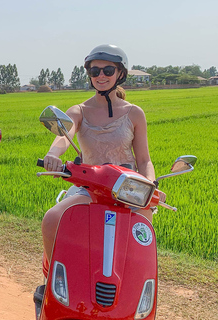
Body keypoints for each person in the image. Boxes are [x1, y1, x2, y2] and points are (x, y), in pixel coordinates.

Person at [41, 44, 164, 263]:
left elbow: (144, 160)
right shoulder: (79, 111)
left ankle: (139, 290)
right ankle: (53, 280)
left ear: (120, 74)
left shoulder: (134, 113)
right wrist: (53, 154)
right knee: (52, 218)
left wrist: (151, 186)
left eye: (108, 70)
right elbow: (64, 135)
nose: (101, 75)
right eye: (94, 71)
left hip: (128, 191)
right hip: (89, 188)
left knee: (142, 236)